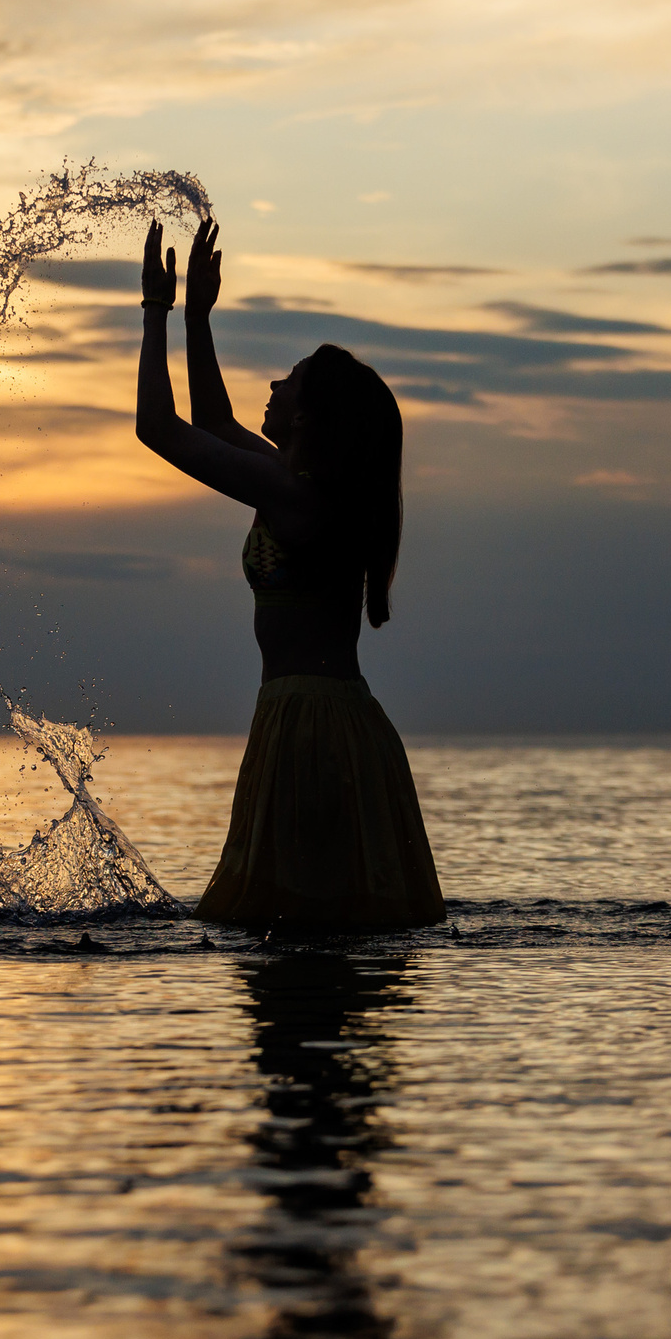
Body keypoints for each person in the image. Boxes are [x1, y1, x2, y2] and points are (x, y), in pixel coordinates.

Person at [134, 217, 446, 931]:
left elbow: (159, 427)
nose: (274, 383)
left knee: (295, 940)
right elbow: (213, 421)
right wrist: (198, 318)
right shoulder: (293, 484)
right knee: (319, 944)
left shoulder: (295, 496)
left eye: (291, 380)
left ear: (308, 417)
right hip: (315, 720)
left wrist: (155, 308)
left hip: (312, 731)